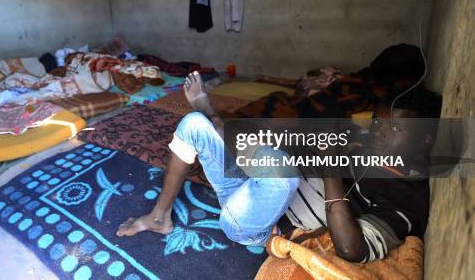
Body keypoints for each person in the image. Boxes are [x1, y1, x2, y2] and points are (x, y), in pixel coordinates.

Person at [116, 71, 442, 263]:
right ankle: (160, 216)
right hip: (250, 187)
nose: (381, 134)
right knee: (192, 123)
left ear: (425, 140)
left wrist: (329, 166)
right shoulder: (365, 147)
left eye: (396, 130)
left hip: (257, 223)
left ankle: (216, 117)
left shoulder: (407, 199)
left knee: (281, 170)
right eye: (378, 123)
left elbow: (350, 248)